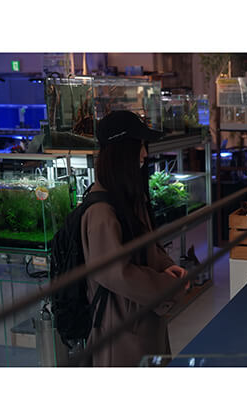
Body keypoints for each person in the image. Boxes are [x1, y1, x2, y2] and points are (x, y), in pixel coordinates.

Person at [81, 110, 188, 367]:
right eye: (139, 146)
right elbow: (116, 273)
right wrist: (167, 286)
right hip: (122, 334)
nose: (144, 154)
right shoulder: (101, 212)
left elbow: (149, 243)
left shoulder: (128, 198)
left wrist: (166, 266)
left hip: (143, 321)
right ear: (122, 152)